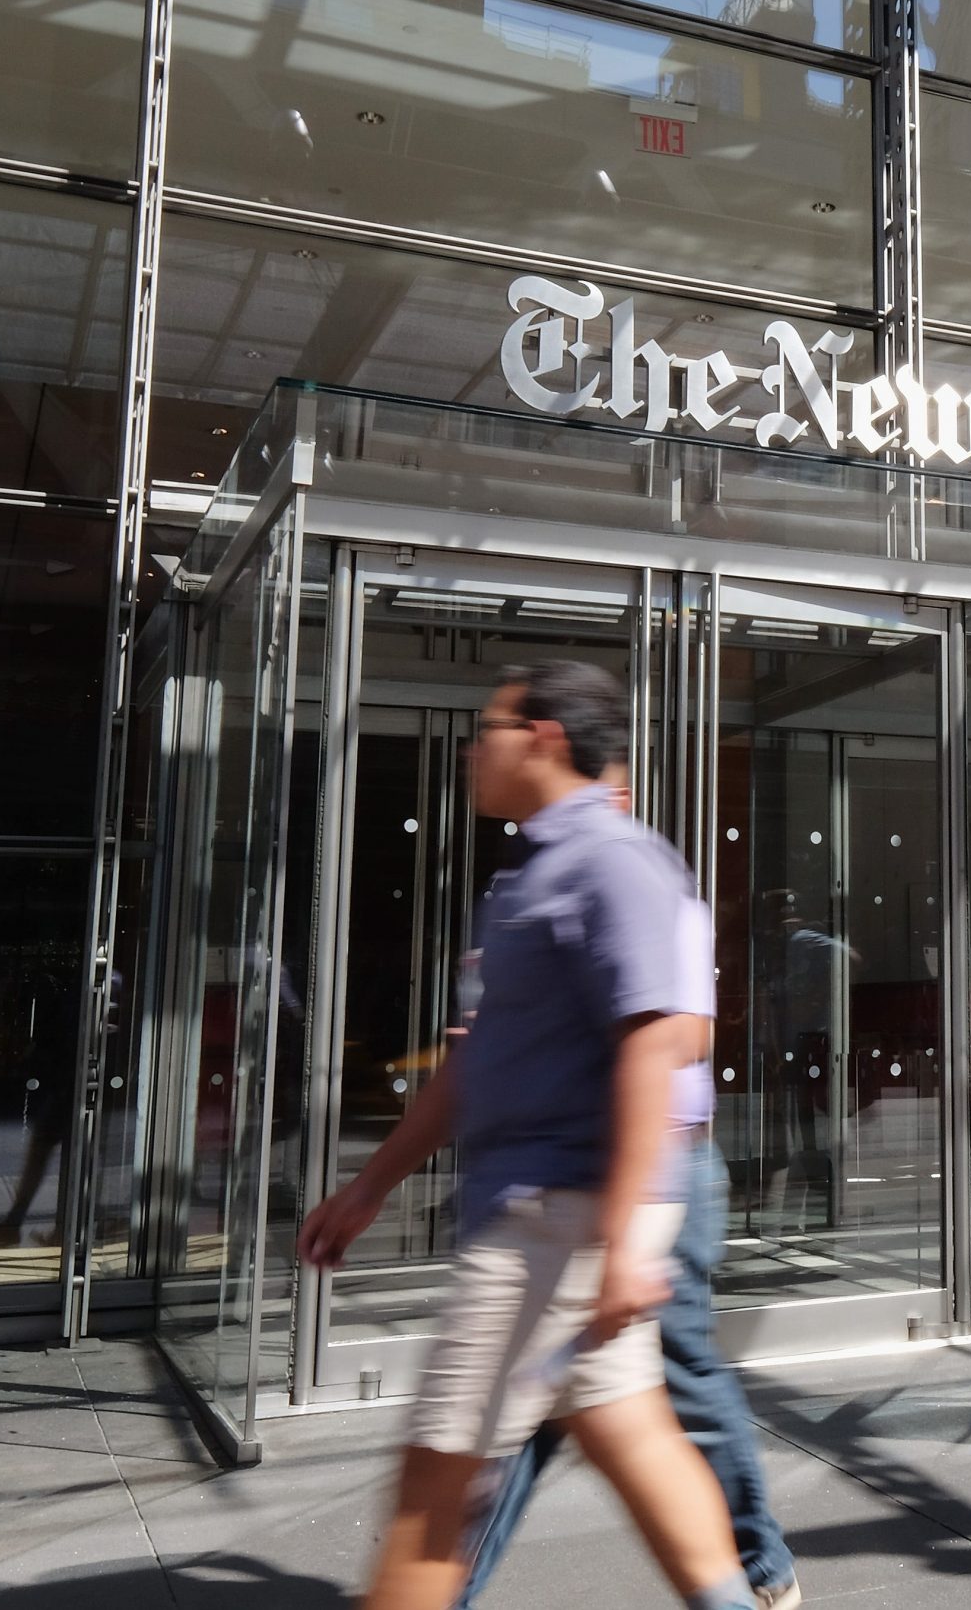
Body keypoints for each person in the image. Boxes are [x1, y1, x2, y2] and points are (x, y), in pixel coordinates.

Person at [297, 662, 756, 1610]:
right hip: (557, 1216)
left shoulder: (615, 863)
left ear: (544, 736)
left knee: (436, 1478)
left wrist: (629, 1240)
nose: (474, 746)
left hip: (554, 1220)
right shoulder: (538, 873)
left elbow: (651, 1049)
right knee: (636, 1440)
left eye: (489, 727)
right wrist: (370, 1183)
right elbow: (475, 1062)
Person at [456, 764, 799, 1610]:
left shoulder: (637, 877)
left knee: (666, 1389)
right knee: (544, 1406)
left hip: (653, 1171)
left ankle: (758, 1572)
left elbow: (678, 1036)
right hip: (586, 1181)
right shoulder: (538, 881)